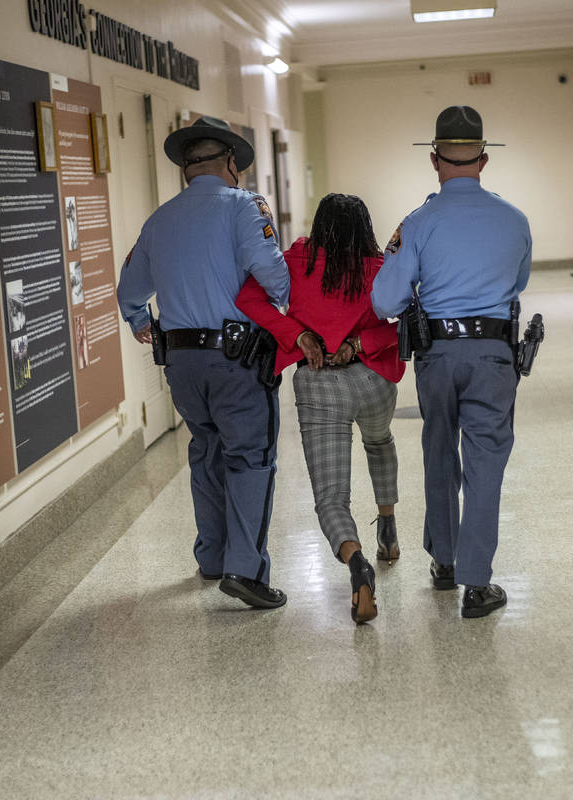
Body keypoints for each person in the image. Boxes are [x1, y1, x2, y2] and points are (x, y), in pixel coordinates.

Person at [116, 116, 291, 610]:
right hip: (236, 359)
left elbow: (130, 291)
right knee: (251, 456)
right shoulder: (244, 206)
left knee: (207, 451)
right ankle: (247, 571)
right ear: (231, 163)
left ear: (186, 170)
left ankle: (212, 556)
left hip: (182, 362)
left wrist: (139, 321)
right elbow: (273, 275)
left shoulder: (160, 219)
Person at [371, 106, 531, 619]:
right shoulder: (514, 220)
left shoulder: (417, 222)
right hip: (494, 354)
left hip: (437, 355)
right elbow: (520, 282)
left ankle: (443, 562)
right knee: (485, 461)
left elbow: (384, 301)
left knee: (440, 449)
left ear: (434, 161)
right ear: (484, 160)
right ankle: (477, 585)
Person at [236, 194, 404, 624]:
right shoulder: (379, 269)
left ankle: (357, 565)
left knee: (331, 498)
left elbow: (250, 301)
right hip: (373, 382)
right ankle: (387, 525)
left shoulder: (294, 262)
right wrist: (360, 344)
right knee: (379, 439)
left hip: (318, 385)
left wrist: (298, 336)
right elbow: (405, 320)